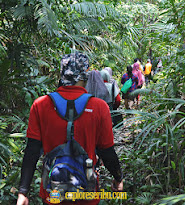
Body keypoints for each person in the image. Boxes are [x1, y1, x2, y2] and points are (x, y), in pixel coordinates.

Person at [16, 52, 123, 205]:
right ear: (85, 75)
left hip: (52, 192)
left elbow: (32, 151)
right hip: (86, 193)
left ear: (62, 74)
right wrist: (118, 178)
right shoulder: (100, 107)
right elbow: (107, 151)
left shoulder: (40, 105)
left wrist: (23, 191)